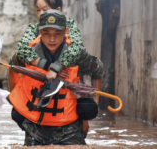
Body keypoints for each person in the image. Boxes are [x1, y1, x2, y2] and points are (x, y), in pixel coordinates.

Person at [9, 9, 98, 146]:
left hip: (70, 128)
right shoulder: (28, 52)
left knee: (89, 108)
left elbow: (97, 70)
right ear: (40, 31)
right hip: (35, 127)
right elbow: (12, 67)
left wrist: (87, 116)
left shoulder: (77, 55)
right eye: (46, 33)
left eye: (57, 34)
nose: (52, 39)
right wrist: (16, 98)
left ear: (65, 31)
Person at [9, 0, 103, 104]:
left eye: (45, 9)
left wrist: (56, 67)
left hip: (68, 79)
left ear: (58, 11)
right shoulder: (33, 29)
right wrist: (49, 66)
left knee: (84, 108)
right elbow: (21, 52)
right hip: (41, 84)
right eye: (38, 10)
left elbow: (77, 49)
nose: (40, 14)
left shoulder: (69, 26)